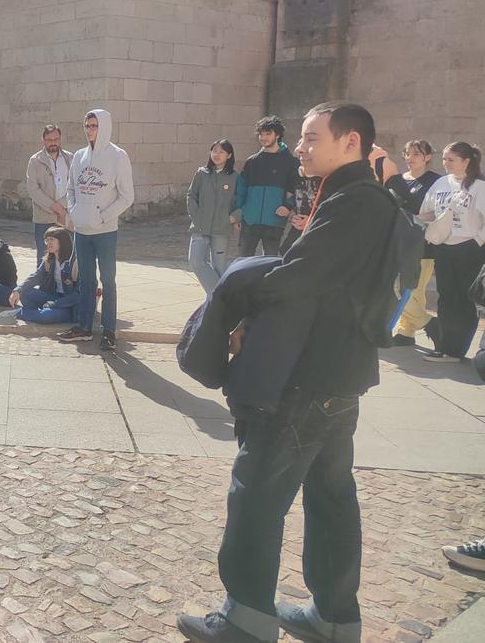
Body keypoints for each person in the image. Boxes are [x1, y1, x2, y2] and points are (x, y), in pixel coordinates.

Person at [178, 102, 397, 643]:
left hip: (309, 378)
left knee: (256, 492)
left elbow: (299, 275)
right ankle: (333, 616)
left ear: (350, 143)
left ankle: (246, 618)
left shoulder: (358, 202)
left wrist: (238, 289)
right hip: (335, 374)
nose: (300, 147)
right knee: (329, 495)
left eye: (311, 137)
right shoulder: (352, 196)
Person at [56, 109, 133, 351]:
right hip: (82, 230)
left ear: (104, 127)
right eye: (87, 125)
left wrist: (103, 216)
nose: (89, 130)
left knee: (108, 280)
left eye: (94, 125)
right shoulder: (79, 156)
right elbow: (70, 189)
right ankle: (84, 328)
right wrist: (74, 211)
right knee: (86, 281)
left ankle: (109, 331)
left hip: (105, 231)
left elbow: (127, 196)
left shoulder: (118, 157)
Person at [419, 142, 485, 362]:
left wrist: (477, 239)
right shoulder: (440, 183)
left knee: (463, 299)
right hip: (444, 247)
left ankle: (457, 350)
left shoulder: (478, 186)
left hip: (469, 248)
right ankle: (447, 347)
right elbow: (426, 212)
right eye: (444, 159)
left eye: (451, 159)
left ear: (466, 161)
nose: (445, 163)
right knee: (446, 297)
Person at [386, 140, 441, 347]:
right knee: (398, 286)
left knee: (415, 289)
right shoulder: (395, 181)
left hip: (423, 243)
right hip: (397, 241)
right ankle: (428, 323)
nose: (410, 158)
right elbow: (389, 210)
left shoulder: (437, 182)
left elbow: (435, 213)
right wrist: (415, 216)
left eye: (416, 154)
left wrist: (412, 217)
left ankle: (406, 331)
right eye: (407, 154)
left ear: (427, 157)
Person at [232, 116, 299, 257]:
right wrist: (239, 212)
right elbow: (241, 189)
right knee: (243, 260)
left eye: (268, 134)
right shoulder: (252, 161)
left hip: (274, 220)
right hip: (250, 220)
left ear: (278, 134)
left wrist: (287, 206)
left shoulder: (290, 162)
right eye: (261, 134)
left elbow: (295, 188)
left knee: (270, 261)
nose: (263, 137)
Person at [187, 140, 238, 295]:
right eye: (214, 150)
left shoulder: (235, 177)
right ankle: (219, 297)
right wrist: (196, 217)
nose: (217, 154)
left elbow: (241, 199)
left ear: (229, 155)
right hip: (200, 226)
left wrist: (235, 216)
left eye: (221, 151)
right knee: (196, 261)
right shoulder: (202, 173)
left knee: (219, 267)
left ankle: (216, 303)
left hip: (221, 228)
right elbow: (191, 196)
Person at [5, 226, 79, 325]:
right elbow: (35, 277)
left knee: (46, 316)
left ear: (62, 241)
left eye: (51, 239)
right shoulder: (49, 261)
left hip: (68, 304)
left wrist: (54, 304)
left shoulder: (75, 263)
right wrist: (17, 290)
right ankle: (34, 313)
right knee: (25, 291)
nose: (48, 243)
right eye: (47, 240)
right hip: (52, 296)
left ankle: (23, 313)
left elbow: (79, 294)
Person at [26, 124, 73, 262]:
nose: (53, 142)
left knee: (68, 255)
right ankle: (45, 284)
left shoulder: (70, 158)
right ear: (43, 140)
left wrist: (62, 206)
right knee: (44, 257)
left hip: (66, 216)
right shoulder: (35, 161)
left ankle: (65, 283)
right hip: (44, 218)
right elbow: (33, 190)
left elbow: (75, 185)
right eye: (49, 139)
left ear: (60, 139)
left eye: (56, 139)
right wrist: (54, 207)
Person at [279, 166, 321, 254]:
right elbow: (297, 195)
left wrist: (311, 220)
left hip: (315, 226)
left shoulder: (324, 181)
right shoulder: (299, 178)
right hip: (298, 222)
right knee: (286, 250)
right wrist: (288, 207)